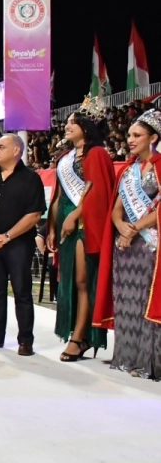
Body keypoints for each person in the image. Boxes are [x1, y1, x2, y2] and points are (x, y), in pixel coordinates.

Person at [94, 109, 161, 379]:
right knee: (127, 299)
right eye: (130, 135)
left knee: (146, 299)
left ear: (153, 137)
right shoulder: (128, 171)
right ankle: (128, 356)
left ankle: (149, 361)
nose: (130, 140)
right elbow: (116, 208)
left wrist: (135, 229)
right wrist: (121, 225)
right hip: (126, 246)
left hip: (150, 244)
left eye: (137, 135)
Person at [46, 111, 114, 361]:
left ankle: (81, 336)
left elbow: (96, 191)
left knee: (83, 281)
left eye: (72, 122)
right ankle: (76, 330)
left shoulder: (97, 154)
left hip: (86, 226)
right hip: (65, 225)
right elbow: (59, 196)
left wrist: (75, 215)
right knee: (71, 281)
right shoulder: (64, 158)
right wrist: (52, 227)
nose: (66, 126)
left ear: (85, 127)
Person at [0, 134, 46, 356]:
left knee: (22, 292)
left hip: (18, 245)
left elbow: (34, 215)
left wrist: (6, 236)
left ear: (16, 151)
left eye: (1, 147)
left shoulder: (31, 179)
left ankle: (25, 340)